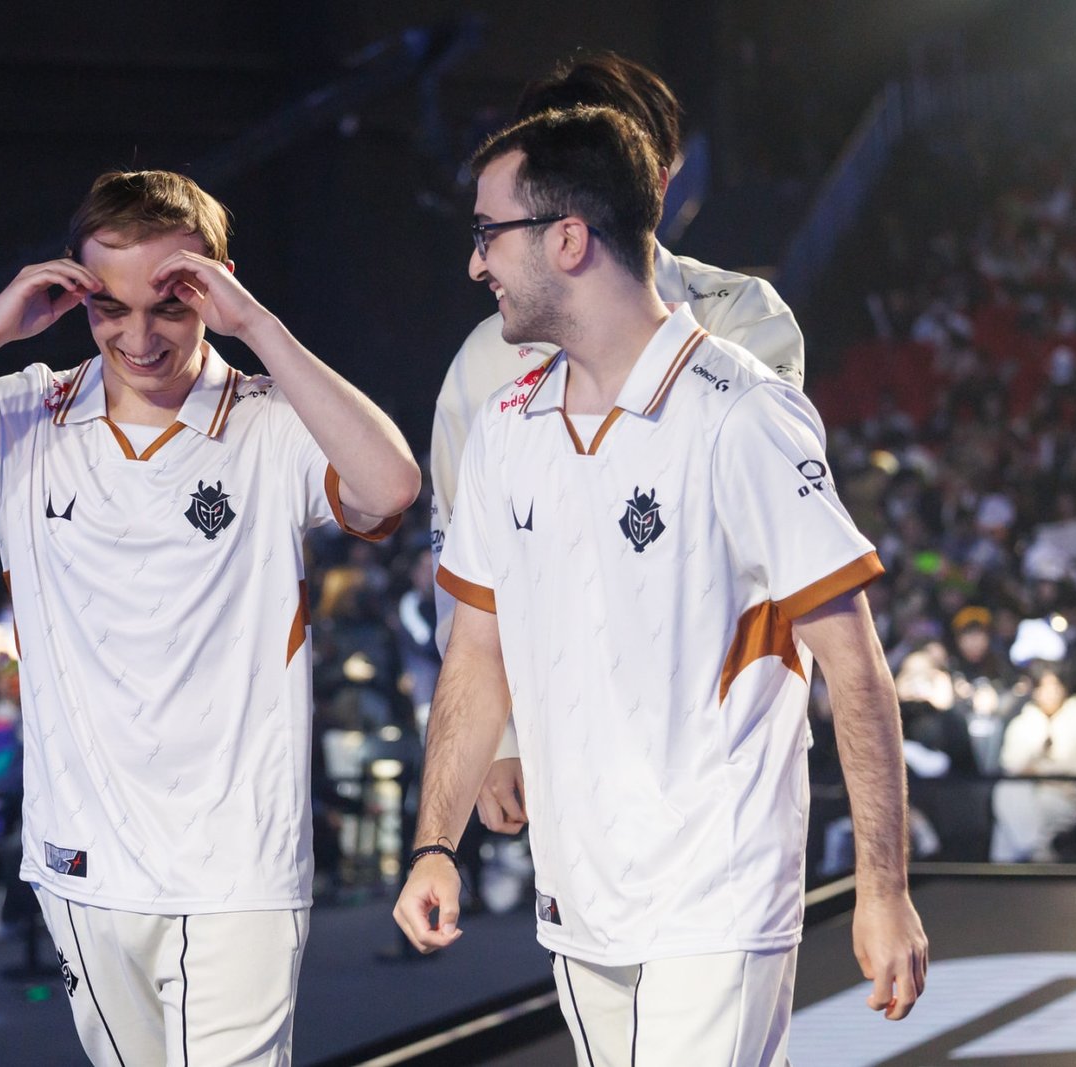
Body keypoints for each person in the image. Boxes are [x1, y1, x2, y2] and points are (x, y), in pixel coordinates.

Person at [0, 168, 418, 1064]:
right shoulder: (23, 412)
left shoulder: (272, 420)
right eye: (110, 307)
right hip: (83, 856)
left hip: (239, 860)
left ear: (216, 291)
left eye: (171, 304)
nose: (138, 336)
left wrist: (258, 325)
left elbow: (391, 485)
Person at [395, 106, 926, 1064]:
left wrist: (884, 889)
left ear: (566, 239)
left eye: (487, 234)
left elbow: (855, 667)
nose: (476, 264)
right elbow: (475, 651)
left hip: (714, 894)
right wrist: (437, 841)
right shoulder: (507, 426)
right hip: (576, 897)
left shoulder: (744, 415)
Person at [427, 53, 807, 835]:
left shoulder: (743, 317)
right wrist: (492, 737)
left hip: (720, 746)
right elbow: (462, 567)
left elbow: (756, 518)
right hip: (568, 746)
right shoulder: (483, 364)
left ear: (658, 174)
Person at [991, 659, 1076, 862]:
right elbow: (1011, 766)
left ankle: (1006, 873)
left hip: (1069, 795)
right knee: (1007, 791)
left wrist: (1038, 769)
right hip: (1027, 793)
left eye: (1054, 686)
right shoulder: (1024, 721)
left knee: (1007, 824)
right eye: (1041, 687)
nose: (1048, 693)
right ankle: (1036, 852)